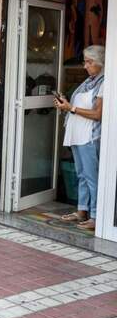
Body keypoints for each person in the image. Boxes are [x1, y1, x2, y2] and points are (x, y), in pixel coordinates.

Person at [54, 45, 105, 231]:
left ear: (100, 63)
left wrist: (71, 108)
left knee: (92, 178)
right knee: (81, 175)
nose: (85, 66)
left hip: (89, 137)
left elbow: (97, 114)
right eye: (85, 62)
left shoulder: (104, 83)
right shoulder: (89, 81)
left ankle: (96, 216)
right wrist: (65, 104)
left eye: (89, 62)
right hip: (77, 135)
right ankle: (82, 210)